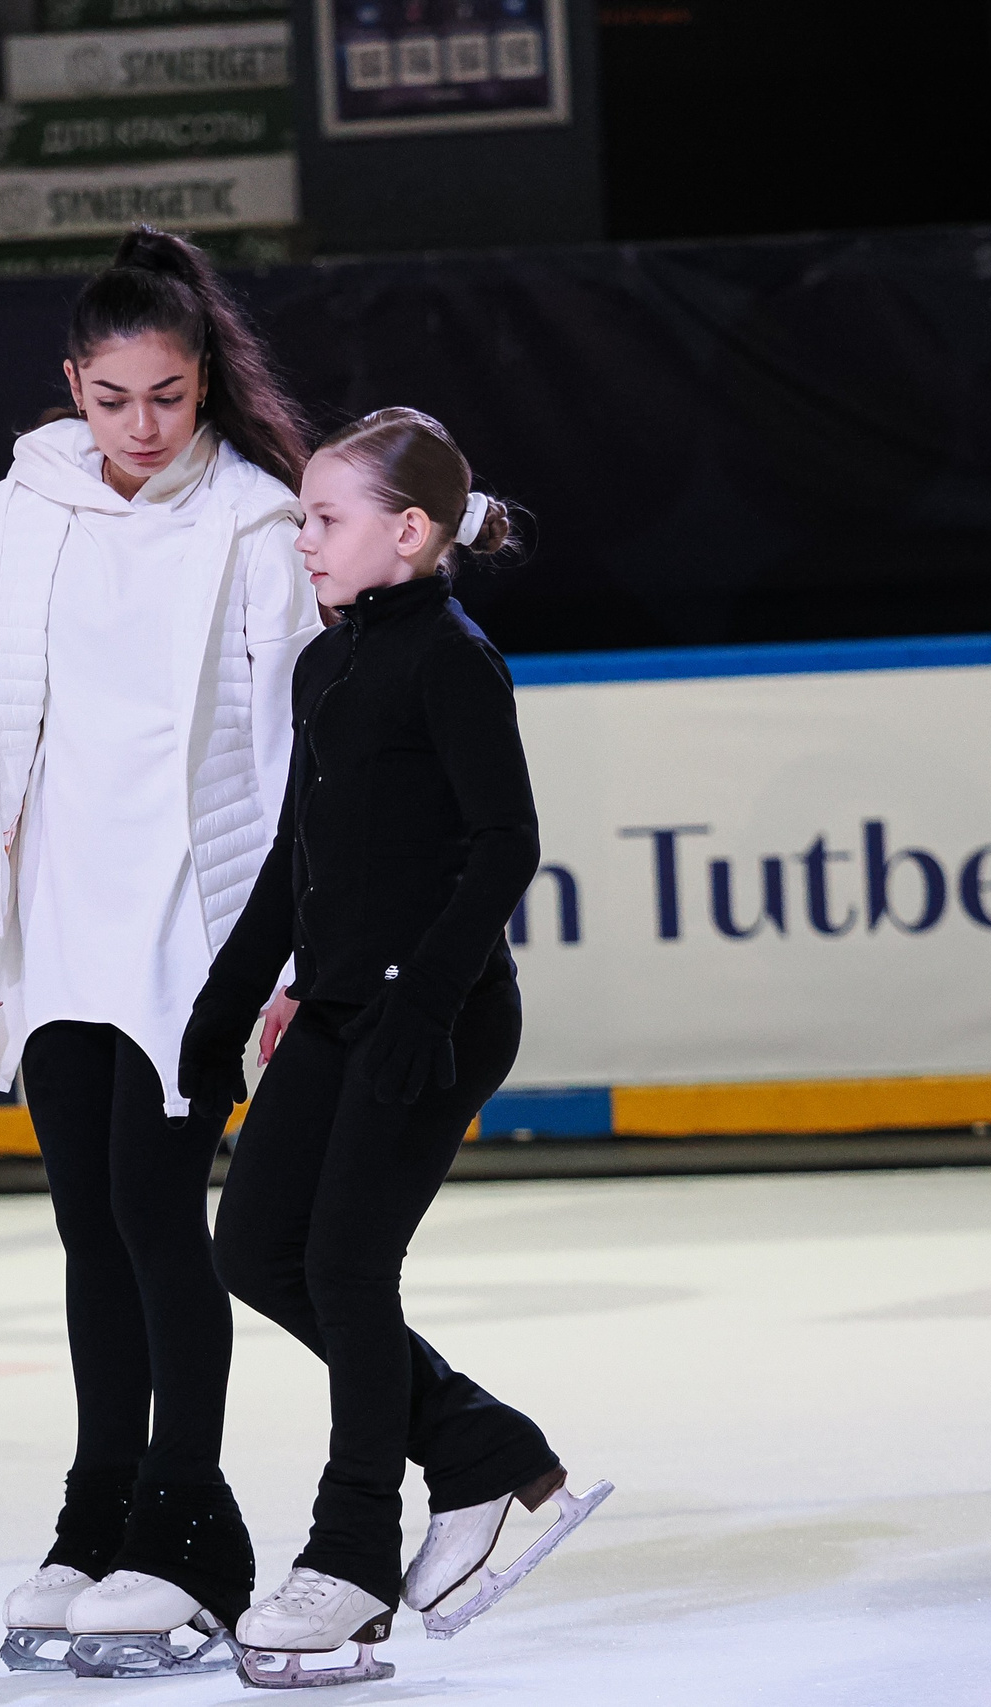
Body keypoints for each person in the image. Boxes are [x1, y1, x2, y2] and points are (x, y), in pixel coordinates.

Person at [0, 224, 323, 1678]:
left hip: (192, 927)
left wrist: (286, 960)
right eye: (112, 398)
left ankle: (184, 1526)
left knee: (159, 1221)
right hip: (58, 917)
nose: (141, 425)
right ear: (72, 383)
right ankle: (96, 1516)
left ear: (204, 378)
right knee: (89, 1226)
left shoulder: (259, 524)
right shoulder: (28, 502)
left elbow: (289, 752)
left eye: (168, 395)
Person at [178, 409, 612, 1688]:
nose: (303, 539)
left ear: (408, 532)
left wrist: (422, 1001)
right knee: (255, 1249)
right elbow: (295, 860)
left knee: (347, 1267)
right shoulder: (327, 663)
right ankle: (479, 1446)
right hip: (335, 1008)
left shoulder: (452, 660)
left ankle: (353, 1559)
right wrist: (224, 1006)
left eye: (324, 518)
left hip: (437, 1015)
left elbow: (505, 842)